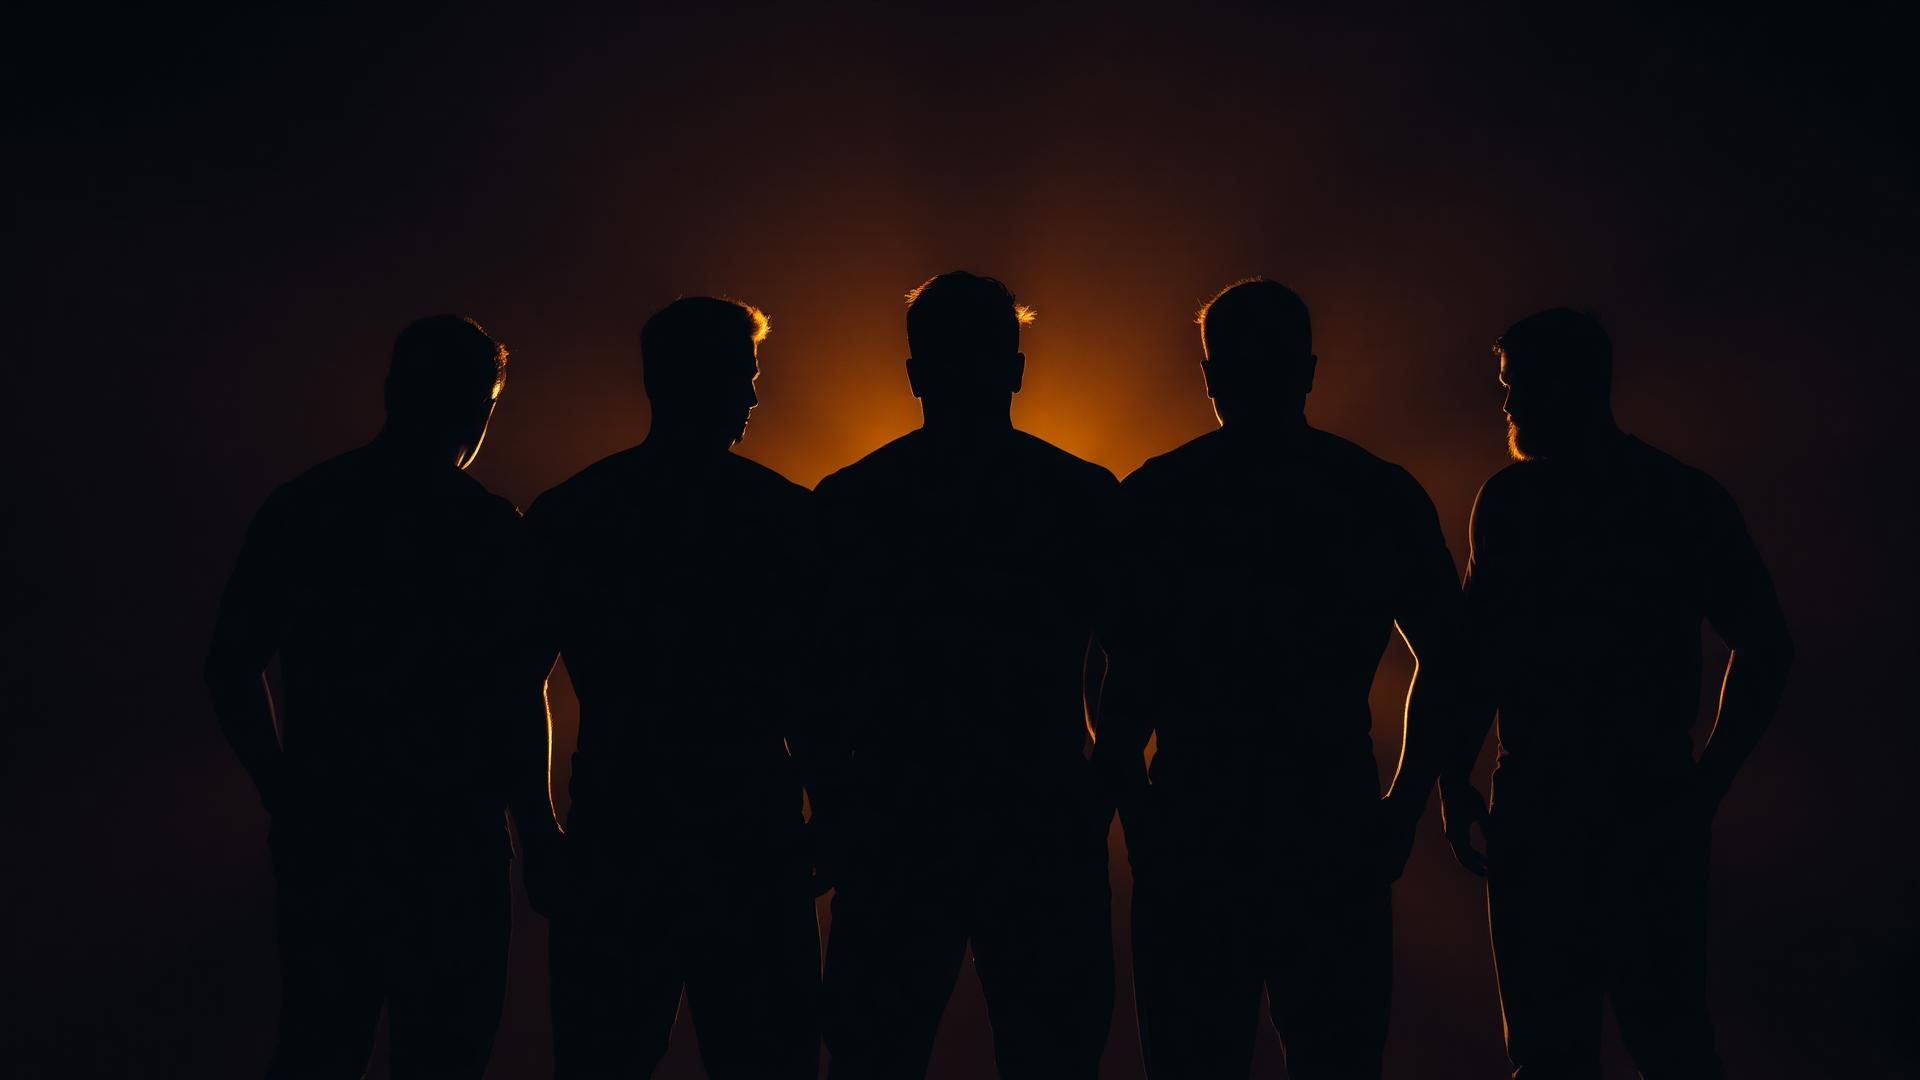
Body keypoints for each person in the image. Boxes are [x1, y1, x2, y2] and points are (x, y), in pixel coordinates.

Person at [1098, 278, 1468, 1079]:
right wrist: (1403, 806)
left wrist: (1138, 813)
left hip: (1197, 818)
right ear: (1310, 369)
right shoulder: (1375, 492)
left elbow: (1111, 676)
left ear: (1209, 376)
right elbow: (1452, 657)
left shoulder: (1159, 495)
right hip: (1326, 817)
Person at [1440, 308, 1794, 1078]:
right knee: (1664, 1033)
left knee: (1558, 1048)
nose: (1507, 408)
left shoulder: (1513, 502)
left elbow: (1479, 655)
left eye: (1518, 388)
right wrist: (1704, 785)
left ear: (1567, 386)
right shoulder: (1678, 495)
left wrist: (1455, 777)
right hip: (1642, 796)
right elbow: (1765, 645)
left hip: (1545, 796)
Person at [204, 314, 553, 1078]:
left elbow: (230, 667)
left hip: (332, 837)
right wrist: (540, 835)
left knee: (318, 1046)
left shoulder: (307, 508)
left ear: (394, 391)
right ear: (483, 409)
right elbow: (516, 700)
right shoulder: (492, 531)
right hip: (455, 849)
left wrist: (283, 790)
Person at [815, 272, 1121, 1079]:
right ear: (1016, 368)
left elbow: (810, 674)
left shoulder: (850, 502)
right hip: (1041, 812)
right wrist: (1106, 785)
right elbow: (1145, 657)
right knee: (1054, 1053)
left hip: (896, 817)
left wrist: (835, 799)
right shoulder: (1081, 497)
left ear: (914, 374)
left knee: (873, 1054)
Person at [515, 296, 826, 1079]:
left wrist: (540, 834)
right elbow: (820, 689)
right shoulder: (785, 516)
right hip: (752, 832)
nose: (754, 398)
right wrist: (832, 811)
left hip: (619, 829)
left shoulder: (572, 513)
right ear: (705, 380)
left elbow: (514, 687)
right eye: (744, 378)